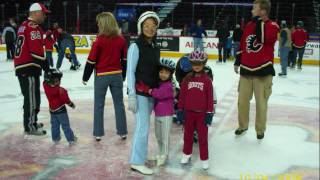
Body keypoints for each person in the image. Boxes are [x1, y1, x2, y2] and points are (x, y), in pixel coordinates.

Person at [234, 0, 279, 139]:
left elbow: (264, 39)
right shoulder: (249, 24)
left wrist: (260, 21)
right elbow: (242, 44)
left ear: (263, 11)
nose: (252, 10)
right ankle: (243, 125)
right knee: (242, 102)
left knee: (261, 104)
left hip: (263, 71)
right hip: (246, 70)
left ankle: (260, 129)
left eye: (255, 8)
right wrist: (238, 61)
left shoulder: (272, 26)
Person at [82, 12, 128, 142]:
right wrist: (123, 75)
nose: (97, 24)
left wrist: (85, 77)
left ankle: (98, 133)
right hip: (117, 75)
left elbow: (91, 60)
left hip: (102, 76)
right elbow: (124, 60)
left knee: (99, 105)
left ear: (103, 24)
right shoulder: (121, 40)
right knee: (119, 104)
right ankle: (123, 132)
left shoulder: (99, 41)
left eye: (98, 23)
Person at [127, 11, 160, 175]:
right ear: (141, 27)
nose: (150, 29)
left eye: (153, 26)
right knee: (142, 127)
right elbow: (130, 72)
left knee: (145, 127)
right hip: (139, 94)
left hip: (150, 94)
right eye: (146, 26)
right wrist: (131, 95)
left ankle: (140, 155)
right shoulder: (135, 46)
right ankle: (136, 162)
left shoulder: (155, 47)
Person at [14, 3, 51, 136]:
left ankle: (32, 121)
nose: (45, 16)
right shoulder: (33, 27)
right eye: (43, 13)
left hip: (24, 66)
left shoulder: (23, 26)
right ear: (35, 13)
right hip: (28, 67)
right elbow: (36, 52)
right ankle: (30, 126)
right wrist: (47, 68)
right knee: (31, 99)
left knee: (32, 97)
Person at [178, 50, 214, 170]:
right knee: (187, 136)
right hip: (188, 113)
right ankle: (186, 154)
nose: (197, 66)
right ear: (191, 64)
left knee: (203, 138)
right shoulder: (186, 79)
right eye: (194, 63)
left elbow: (210, 98)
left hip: (202, 115)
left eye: (199, 63)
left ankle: (205, 158)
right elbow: (182, 96)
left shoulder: (207, 80)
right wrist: (180, 110)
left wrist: (209, 113)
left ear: (204, 64)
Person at [43, 69, 77, 145]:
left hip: (52, 110)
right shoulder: (61, 90)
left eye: (58, 79)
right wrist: (71, 104)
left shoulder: (45, 86)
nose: (58, 81)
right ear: (50, 80)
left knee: (54, 125)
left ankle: (55, 138)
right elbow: (66, 100)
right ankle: (71, 139)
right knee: (65, 125)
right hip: (61, 111)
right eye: (56, 80)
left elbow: (45, 81)